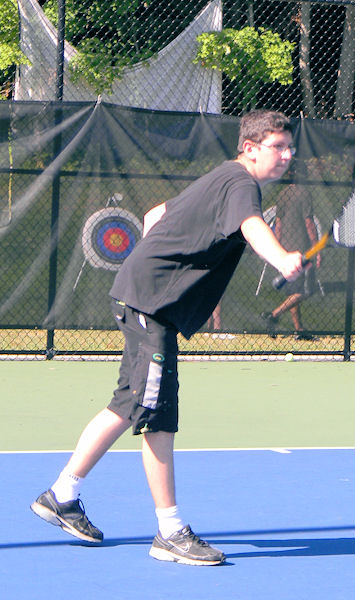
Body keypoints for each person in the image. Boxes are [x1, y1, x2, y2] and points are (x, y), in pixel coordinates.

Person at [30, 109, 304, 566]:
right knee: (156, 414)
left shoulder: (222, 177)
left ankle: (62, 495)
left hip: (143, 298)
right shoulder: (241, 183)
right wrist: (280, 258)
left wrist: (155, 259)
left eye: (290, 147)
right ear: (250, 148)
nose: (287, 154)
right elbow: (252, 226)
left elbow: (155, 213)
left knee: (130, 404)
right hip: (150, 306)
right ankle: (170, 532)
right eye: (278, 146)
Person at [261, 181, 321, 340]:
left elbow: (278, 224)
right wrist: (316, 247)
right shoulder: (304, 193)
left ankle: (298, 329)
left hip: (286, 248)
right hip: (302, 249)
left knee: (294, 290)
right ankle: (273, 315)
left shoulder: (283, 193)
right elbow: (309, 223)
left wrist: (278, 247)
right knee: (307, 289)